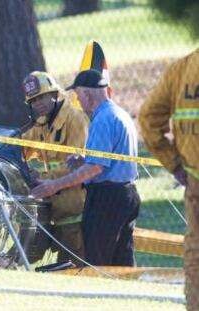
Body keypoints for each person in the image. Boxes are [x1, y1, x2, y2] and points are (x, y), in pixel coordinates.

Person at [32, 69, 140, 267]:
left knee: (97, 261)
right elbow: (112, 158)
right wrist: (85, 158)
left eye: (78, 95)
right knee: (122, 259)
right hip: (127, 194)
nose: (78, 101)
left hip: (107, 197)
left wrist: (54, 185)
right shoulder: (120, 114)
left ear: (88, 95)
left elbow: (95, 169)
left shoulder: (102, 120)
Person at [138, 49, 199, 311]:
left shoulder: (182, 70)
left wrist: (175, 165)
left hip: (195, 179)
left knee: (196, 254)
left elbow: (148, 118)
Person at [21, 71, 89, 266]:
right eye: (33, 101)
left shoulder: (75, 119)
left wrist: (42, 176)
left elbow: (77, 165)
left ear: (54, 94)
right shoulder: (42, 125)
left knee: (74, 270)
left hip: (76, 213)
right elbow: (19, 146)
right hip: (57, 214)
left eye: (41, 97)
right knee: (60, 269)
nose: (38, 104)